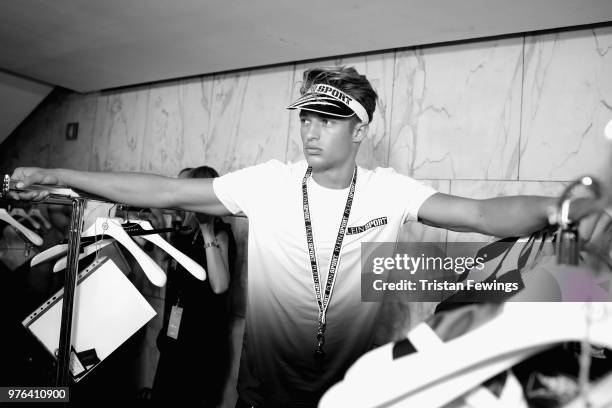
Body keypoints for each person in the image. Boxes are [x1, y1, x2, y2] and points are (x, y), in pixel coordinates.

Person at [9, 66, 610, 408]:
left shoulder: (388, 191)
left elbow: (482, 215)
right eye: (306, 118)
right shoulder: (266, 184)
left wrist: (568, 207)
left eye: (327, 120)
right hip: (262, 398)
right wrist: (59, 175)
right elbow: (164, 191)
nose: (310, 132)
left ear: (360, 130)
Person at [152, 165, 236, 407]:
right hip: (174, 340)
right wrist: (157, 223)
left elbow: (220, 286)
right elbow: (166, 265)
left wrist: (207, 230)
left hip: (202, 344)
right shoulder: (184, 234)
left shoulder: (220, 233)